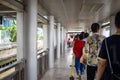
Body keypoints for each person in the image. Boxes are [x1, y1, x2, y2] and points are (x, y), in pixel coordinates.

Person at [96, 11, 120, 80]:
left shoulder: (107, 41)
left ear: (115, 24)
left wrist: (97, 78)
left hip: (111, 77)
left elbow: (102, 64)